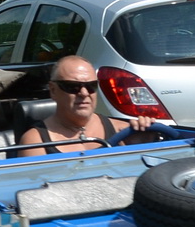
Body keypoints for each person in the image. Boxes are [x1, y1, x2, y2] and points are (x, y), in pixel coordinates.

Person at [18, 56, 159, 155]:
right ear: (53, 90)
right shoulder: (35, 142)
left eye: (91, 86)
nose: (84, 93)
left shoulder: (122, 130)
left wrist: (147, 143)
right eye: (73, 87)